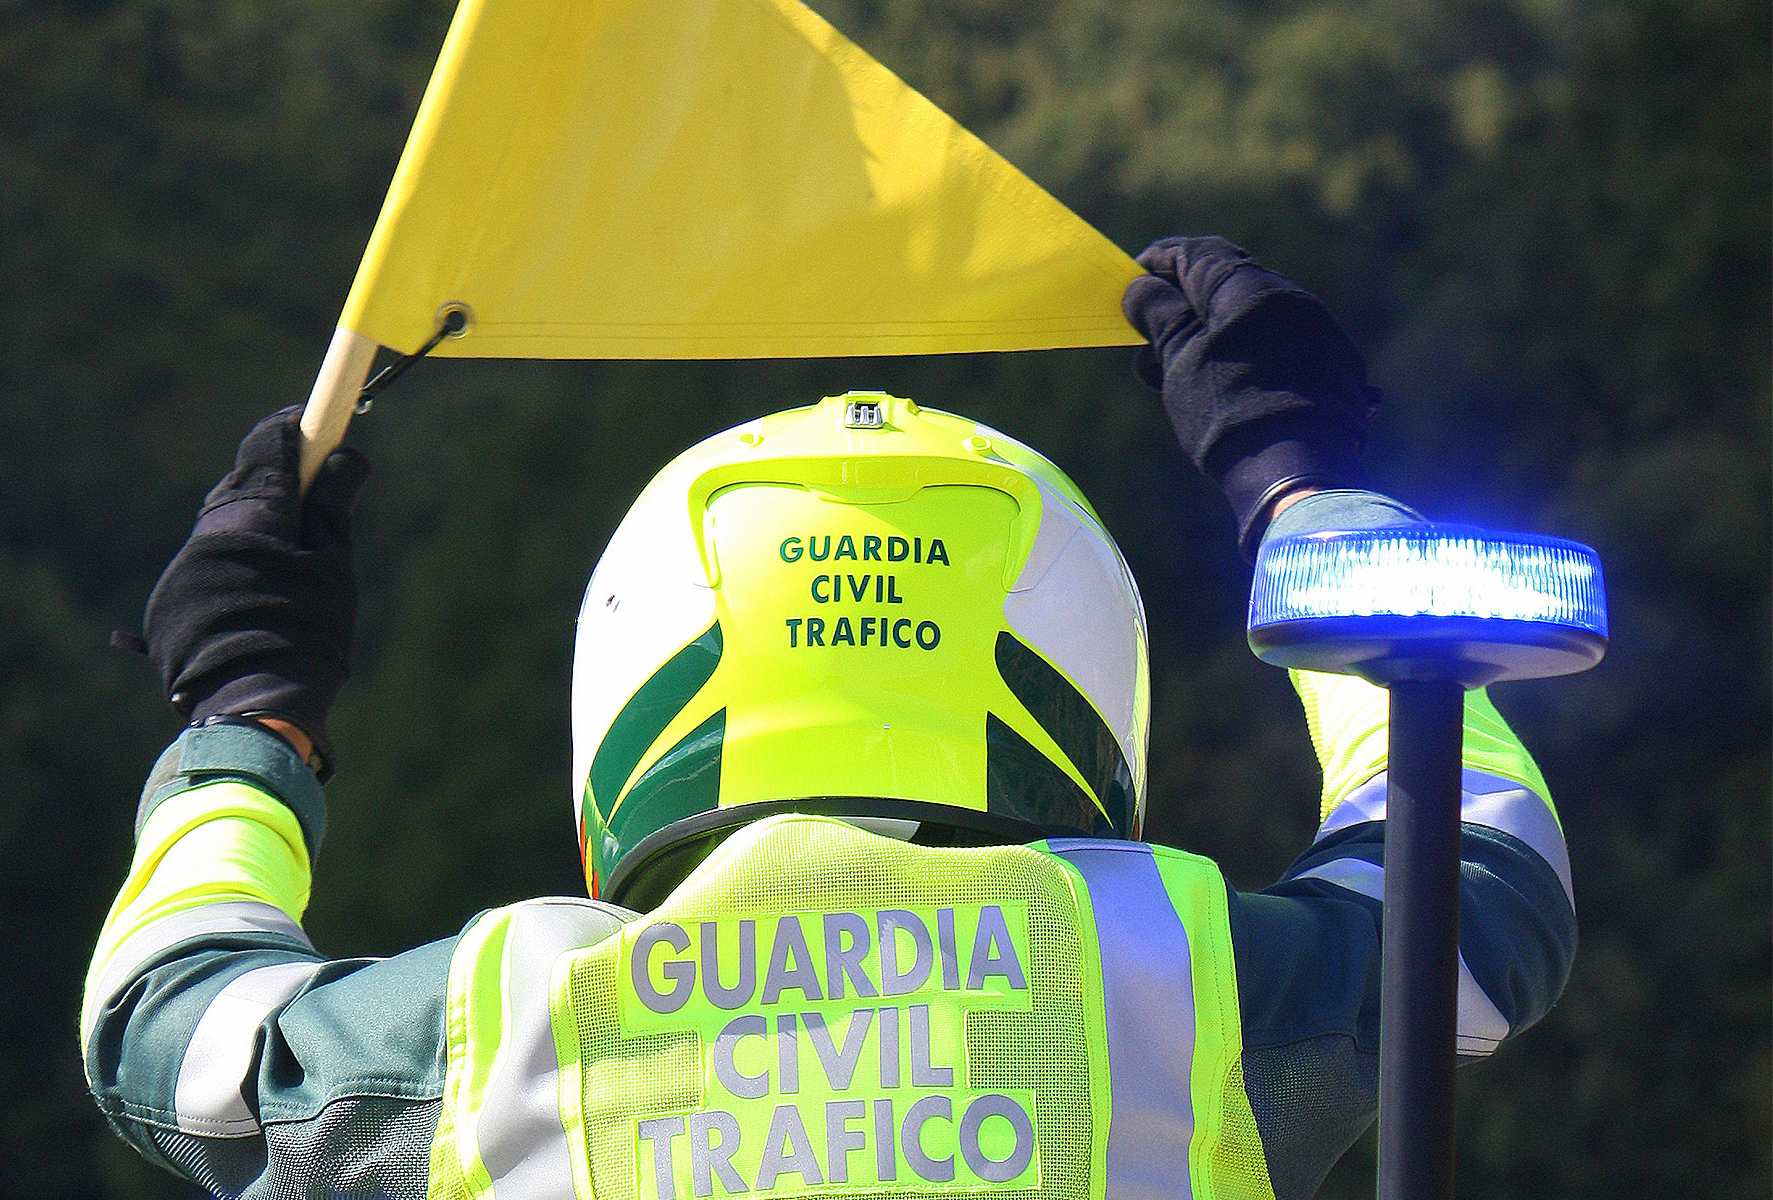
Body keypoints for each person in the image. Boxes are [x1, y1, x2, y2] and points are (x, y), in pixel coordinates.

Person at [82, 238, 1575, 1200]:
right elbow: (1474, 902)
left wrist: (251, 711)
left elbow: (166, 1020)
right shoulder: (1161, 970)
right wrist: (1304, 499)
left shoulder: (510, 1014)